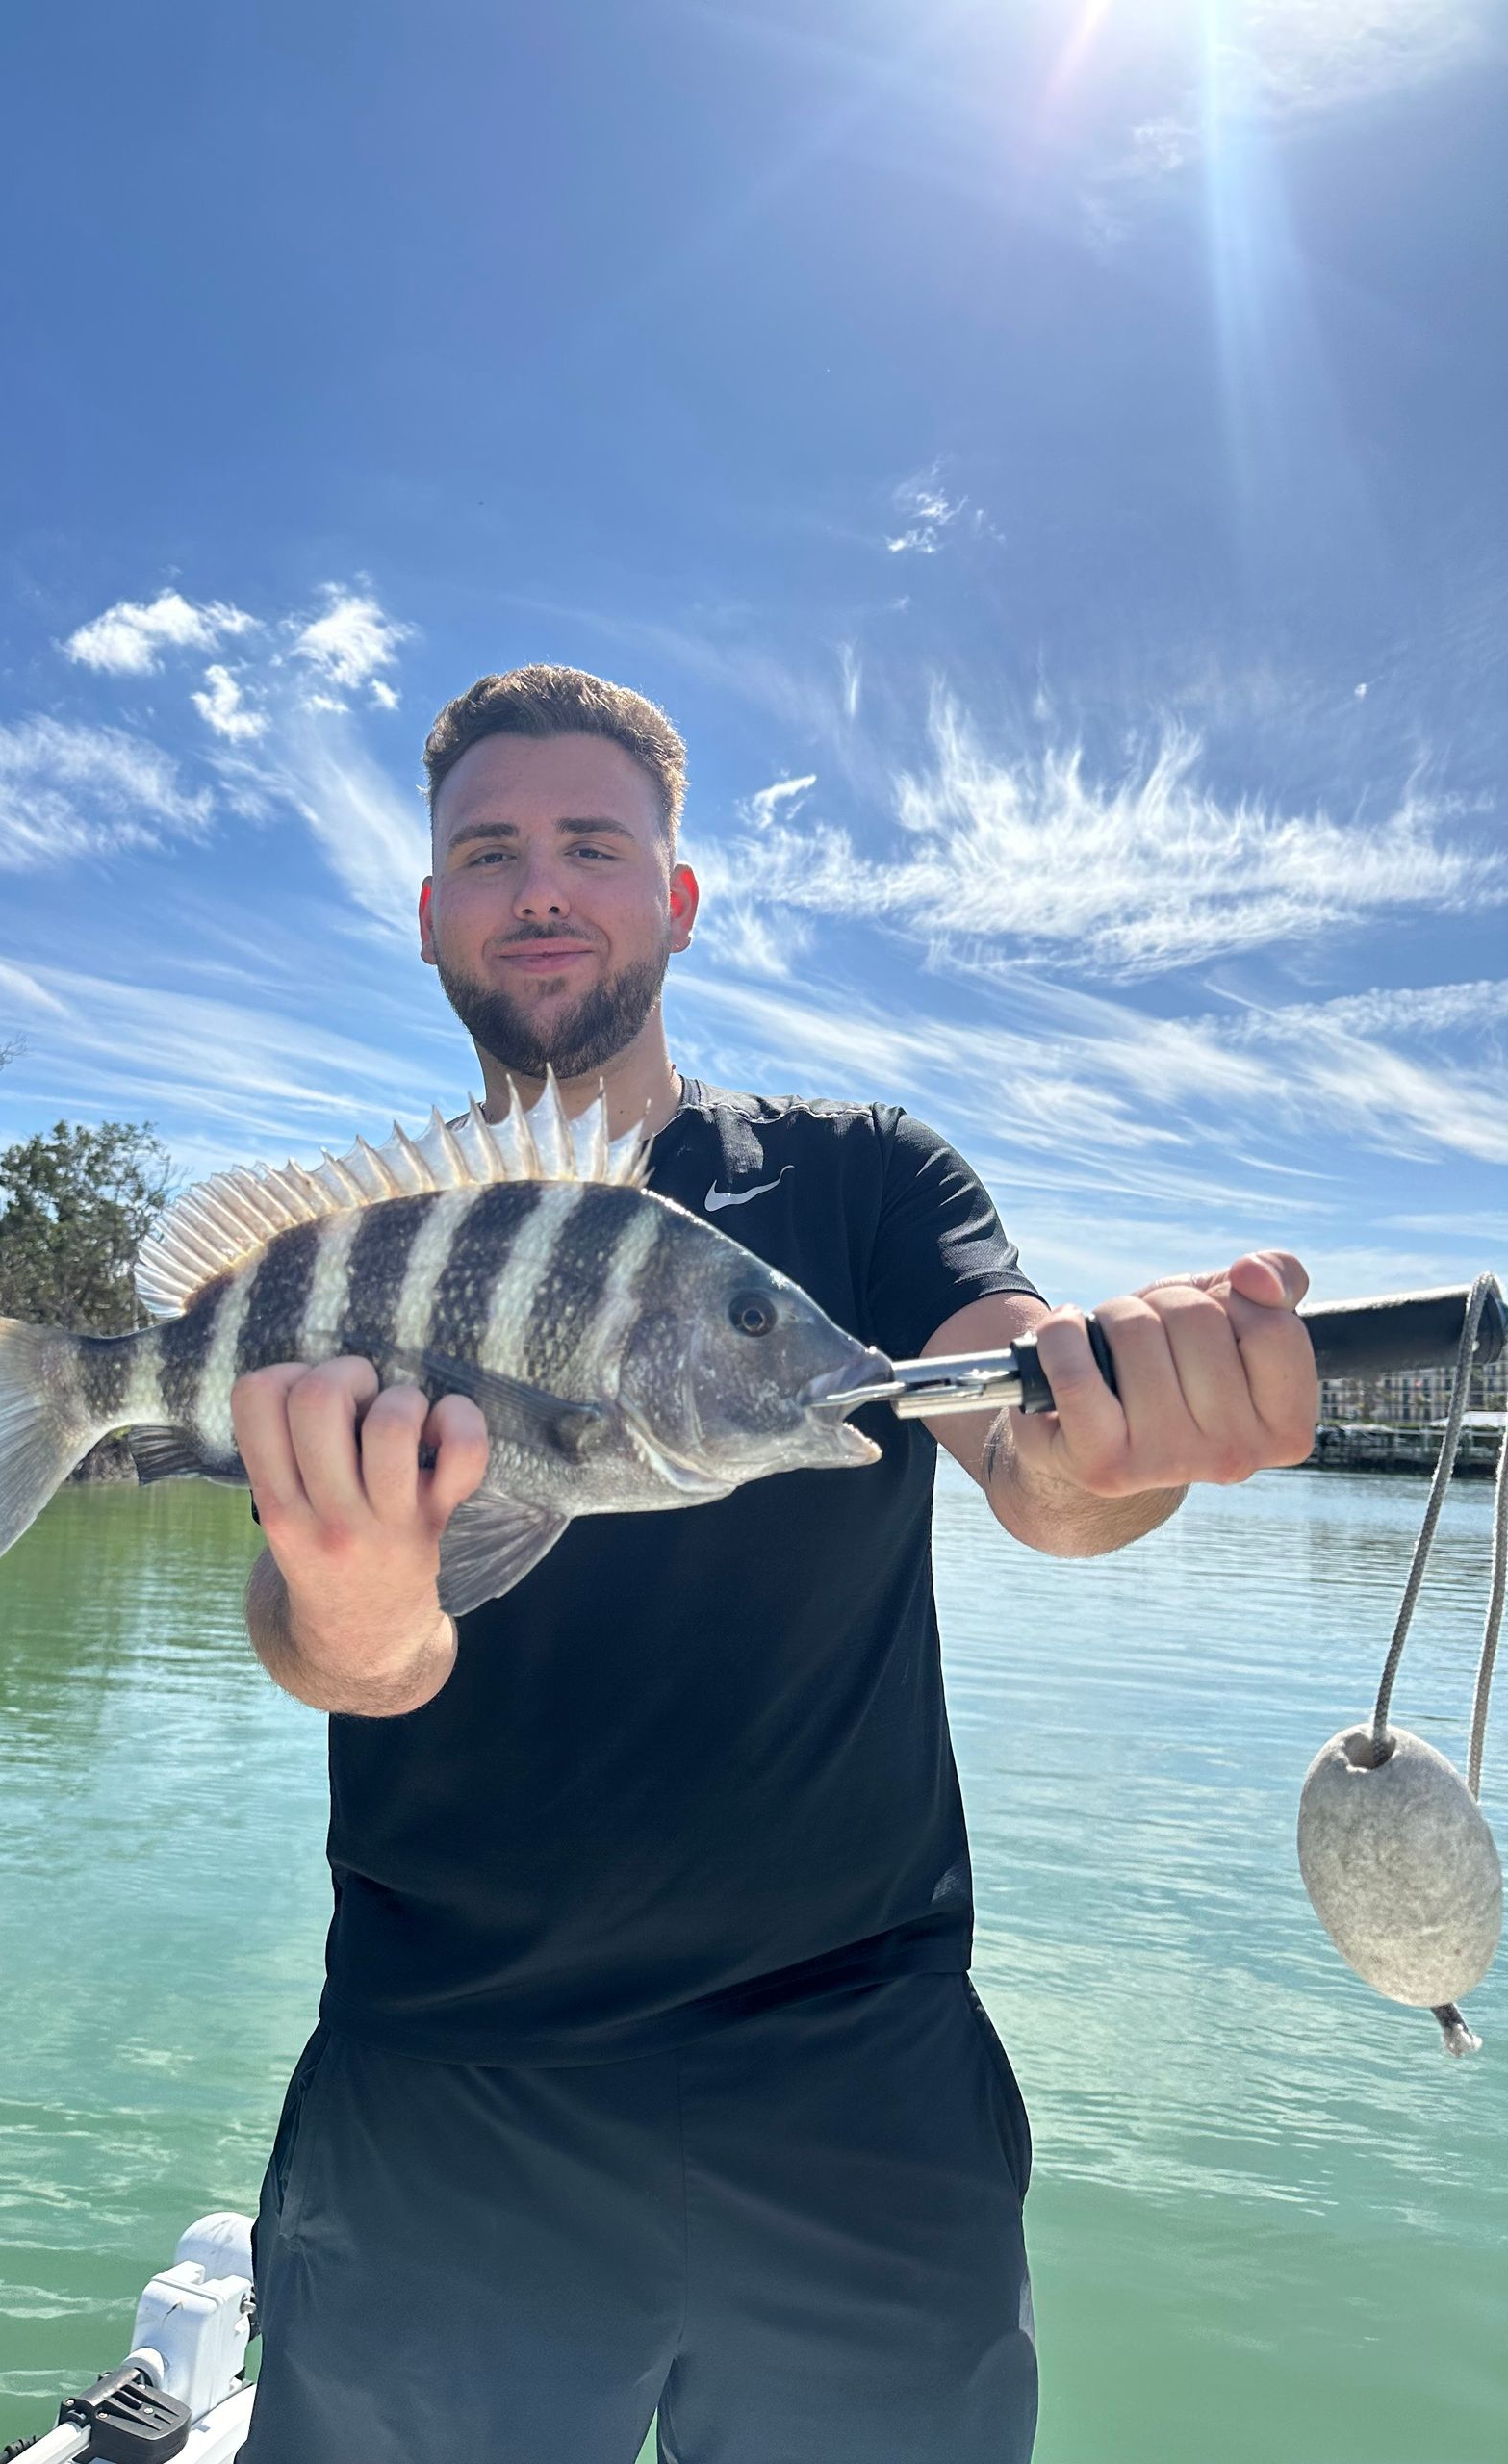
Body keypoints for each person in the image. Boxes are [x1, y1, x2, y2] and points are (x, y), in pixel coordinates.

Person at [230, 666, 1318, 2464]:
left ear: (677, 895)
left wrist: (1129, 1437)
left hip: (858, 2078)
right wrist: (351, 1605)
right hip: (443, 2078)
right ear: (431, 911)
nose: (543, 886)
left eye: (595, 841)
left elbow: (1030, 1459)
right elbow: (347, 1652)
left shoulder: (868, 1186)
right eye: (488, 851)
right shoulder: (378, 1251)